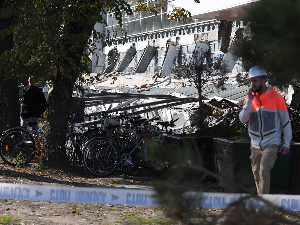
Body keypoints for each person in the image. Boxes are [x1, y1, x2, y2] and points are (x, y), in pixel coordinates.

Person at [239, 66, 292, 194]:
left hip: (272, 142)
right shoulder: (249, 99)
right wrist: (249, 102)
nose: (252, 84)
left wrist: (286, 143)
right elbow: (242, 119)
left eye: (255, 81)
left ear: (264, 81)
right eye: (251, 81)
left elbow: (285, 120)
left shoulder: (277, 97)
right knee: (257, 175)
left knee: (263, 170)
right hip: (255, 144)